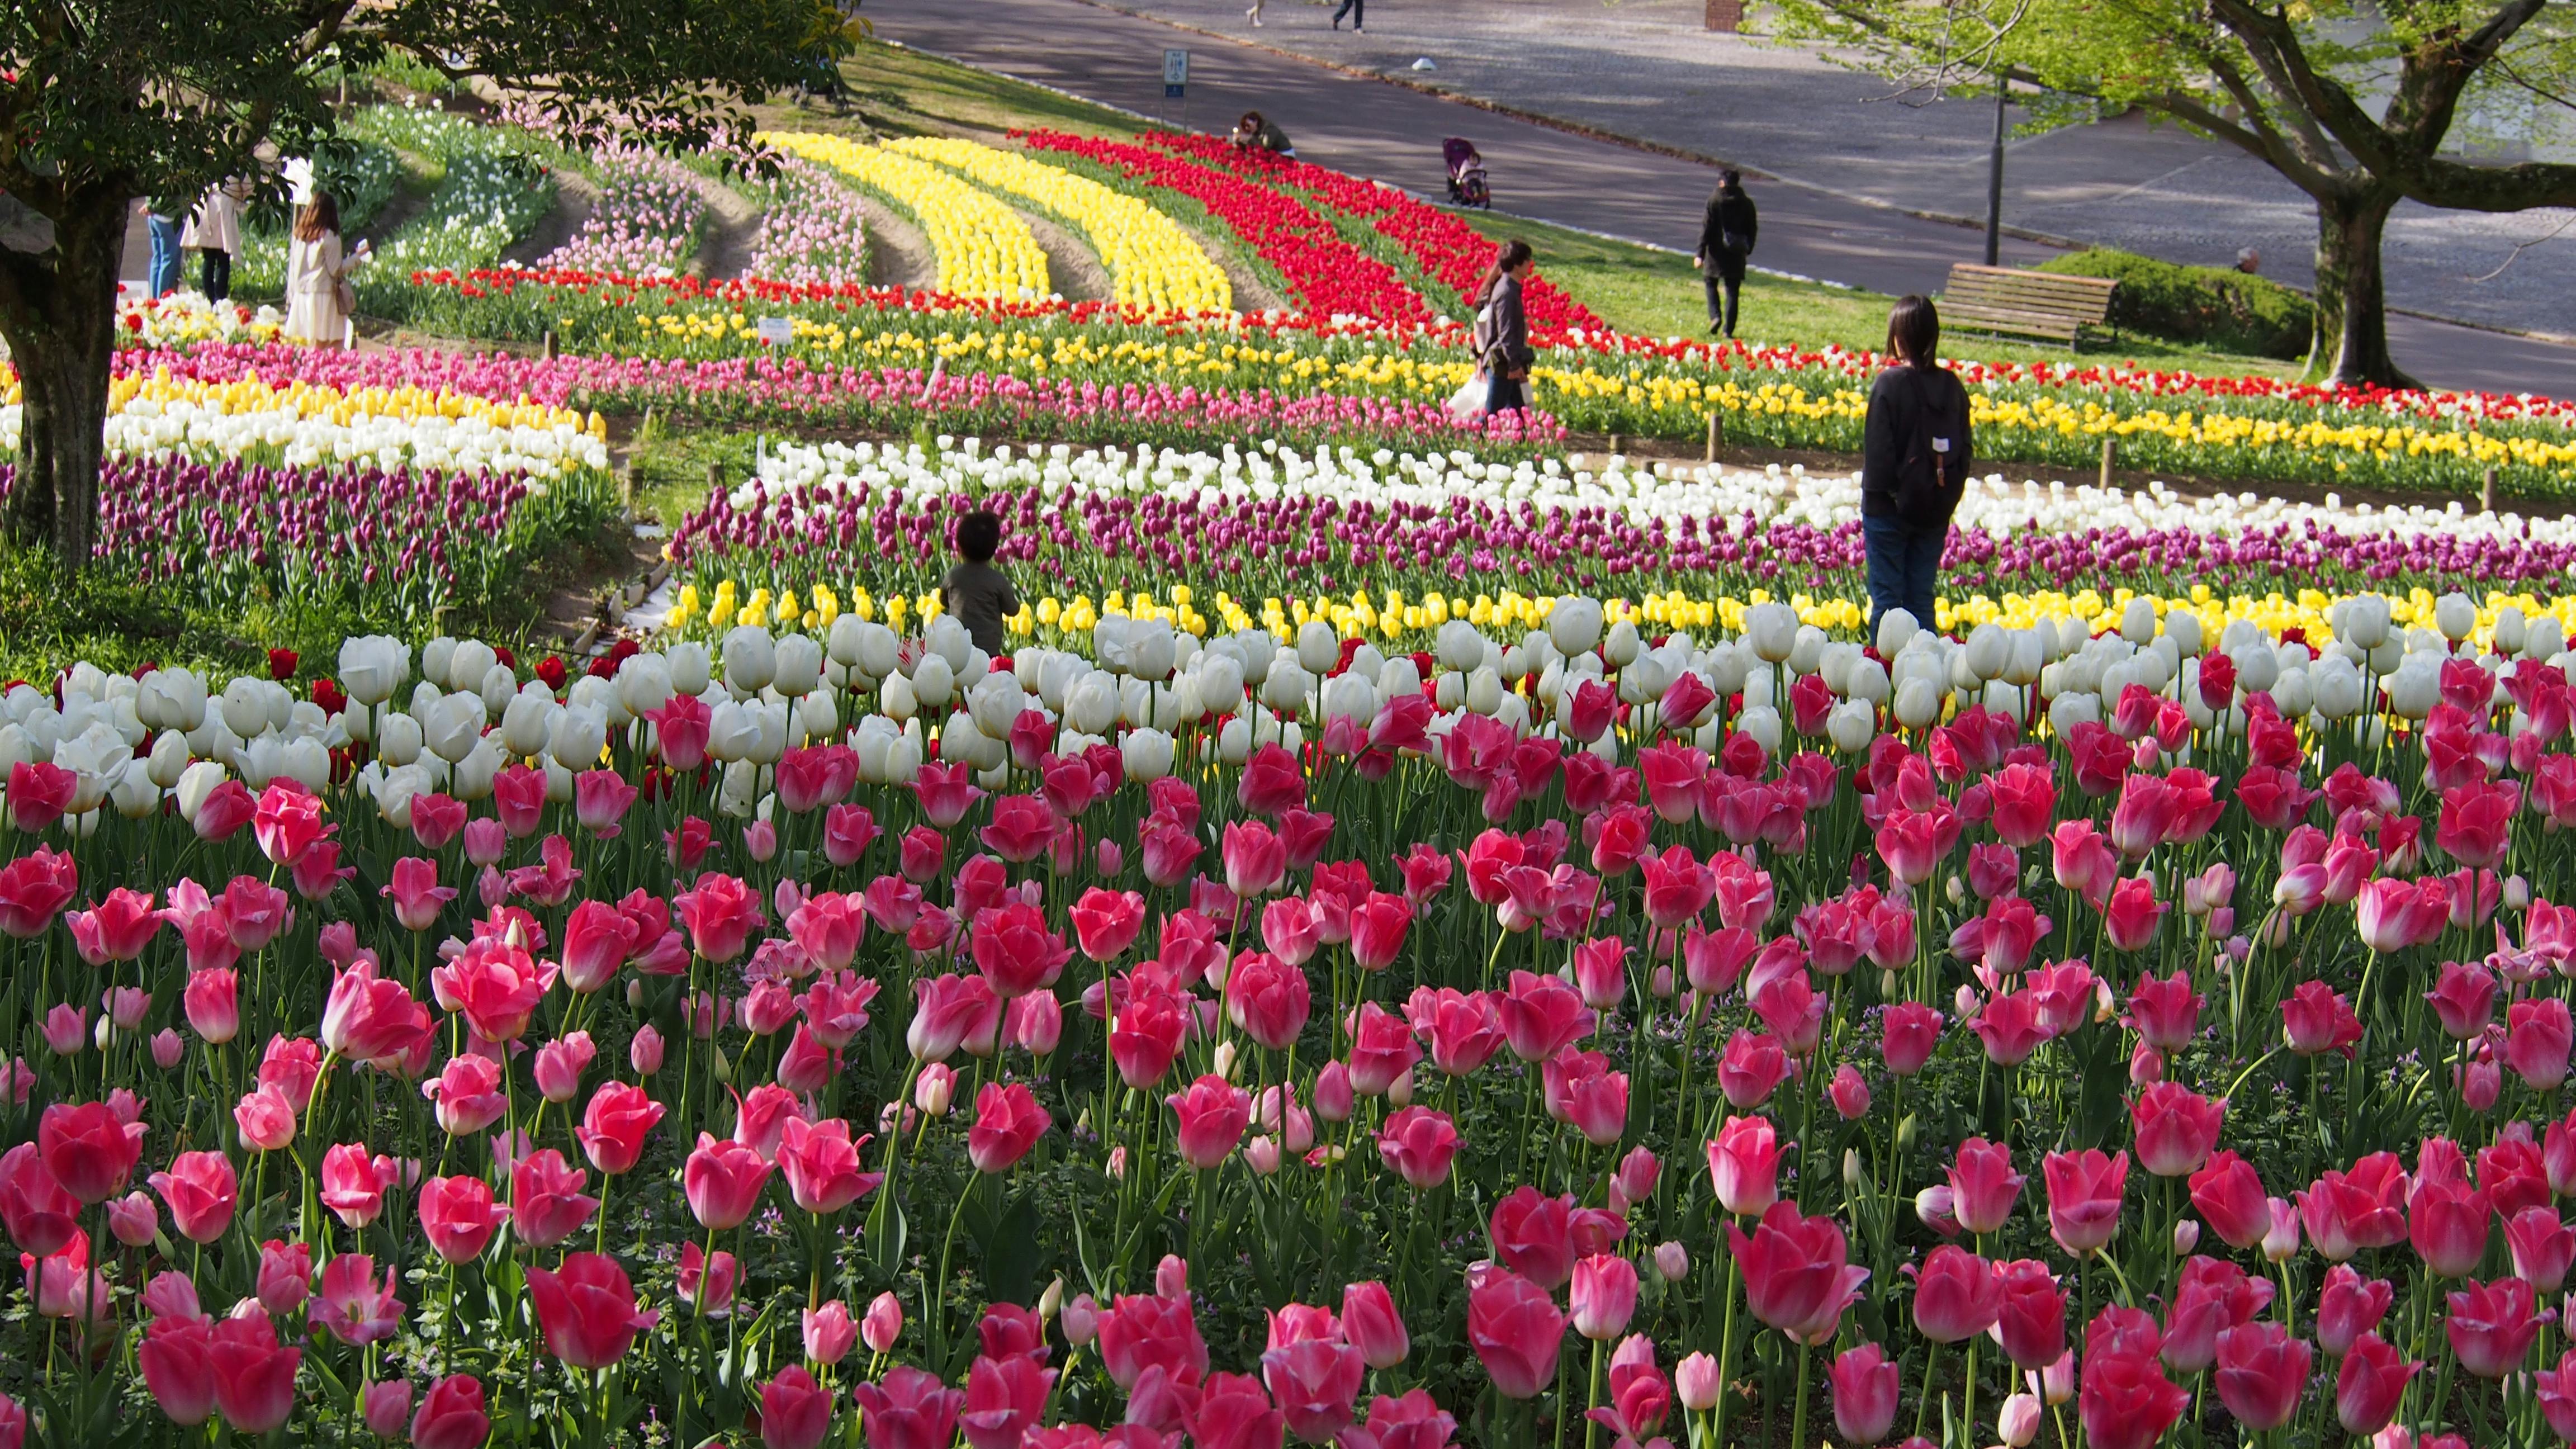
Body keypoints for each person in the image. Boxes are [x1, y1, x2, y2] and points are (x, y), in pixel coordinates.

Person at [1859, 295, 1973, 638]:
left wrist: (1894, 496)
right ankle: (1928, 677)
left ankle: (1886, 676)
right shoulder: (1952, 387)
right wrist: (1943, 497)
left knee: (1888, 603)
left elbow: (1878, 453)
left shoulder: (1889, 384)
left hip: (1887, 512)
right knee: (1921, 601)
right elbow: (1964, 452)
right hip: (1934, 511)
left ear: (1899, 335)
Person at [282, 191, 364, 348]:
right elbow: (336, 270)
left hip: (302, 294)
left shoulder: (299, 235)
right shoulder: (329, 237)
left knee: (310, 344)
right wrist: (357, 258)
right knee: (329, 343)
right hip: (323, 296)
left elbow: (293, 266)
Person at [943, 509, 1022, 658]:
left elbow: (943, 600)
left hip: (958, 652)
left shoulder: (954, 576)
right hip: (989, 653)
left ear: (959, 546)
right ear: (993, 548)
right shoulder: (997, 580)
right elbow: (1013, 609)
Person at [1472, 239, 1534, 416]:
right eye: (1528, 259)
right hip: (1502, 363)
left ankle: (1521, 441)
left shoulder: (1509, 287)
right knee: (1491, 414)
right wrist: (1515, 365)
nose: (1530, 264)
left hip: (1506, 360)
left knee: (1518, 413)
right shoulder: (1506, 292)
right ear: (1517, 264)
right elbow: (1505, 333)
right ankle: (1475, 441)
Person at [1693, 170, 1758, 338]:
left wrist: (1700, 253)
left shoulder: (1714, 201)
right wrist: (1747, 249)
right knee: (1732, 291)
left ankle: (1715, 316)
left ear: (1722, 183)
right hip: (1736, 253)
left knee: (1710, 282)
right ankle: (1728, 331)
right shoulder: (1747, 203)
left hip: (1715, 252)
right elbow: (1752, 229)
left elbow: (1706, 228)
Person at [181, 178, 247, 303]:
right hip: (223, 206)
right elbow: (247, 186)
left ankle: (210, 297)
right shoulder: (235, 166)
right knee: (223, 258)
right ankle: (220, 298)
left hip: (206, 204)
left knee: (209, 258)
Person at [139, 200, 182, 298]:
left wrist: (149, 205)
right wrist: (151, 207)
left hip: (153, 217)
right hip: (167, 217)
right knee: (168, 260)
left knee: (157, 258)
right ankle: (162, 299)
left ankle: (155, 299)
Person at [1228, 112, 1294, 158]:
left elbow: (1265, 147)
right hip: (1275, 153)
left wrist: (1248, 139)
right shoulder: (1256, 131)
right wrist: (1239, 142)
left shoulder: (1269, 129)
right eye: (1245, 126)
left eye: (1248, 126)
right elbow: (1251, 146)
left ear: (1255, 122)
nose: (1247, 128)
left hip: (1285, 153)